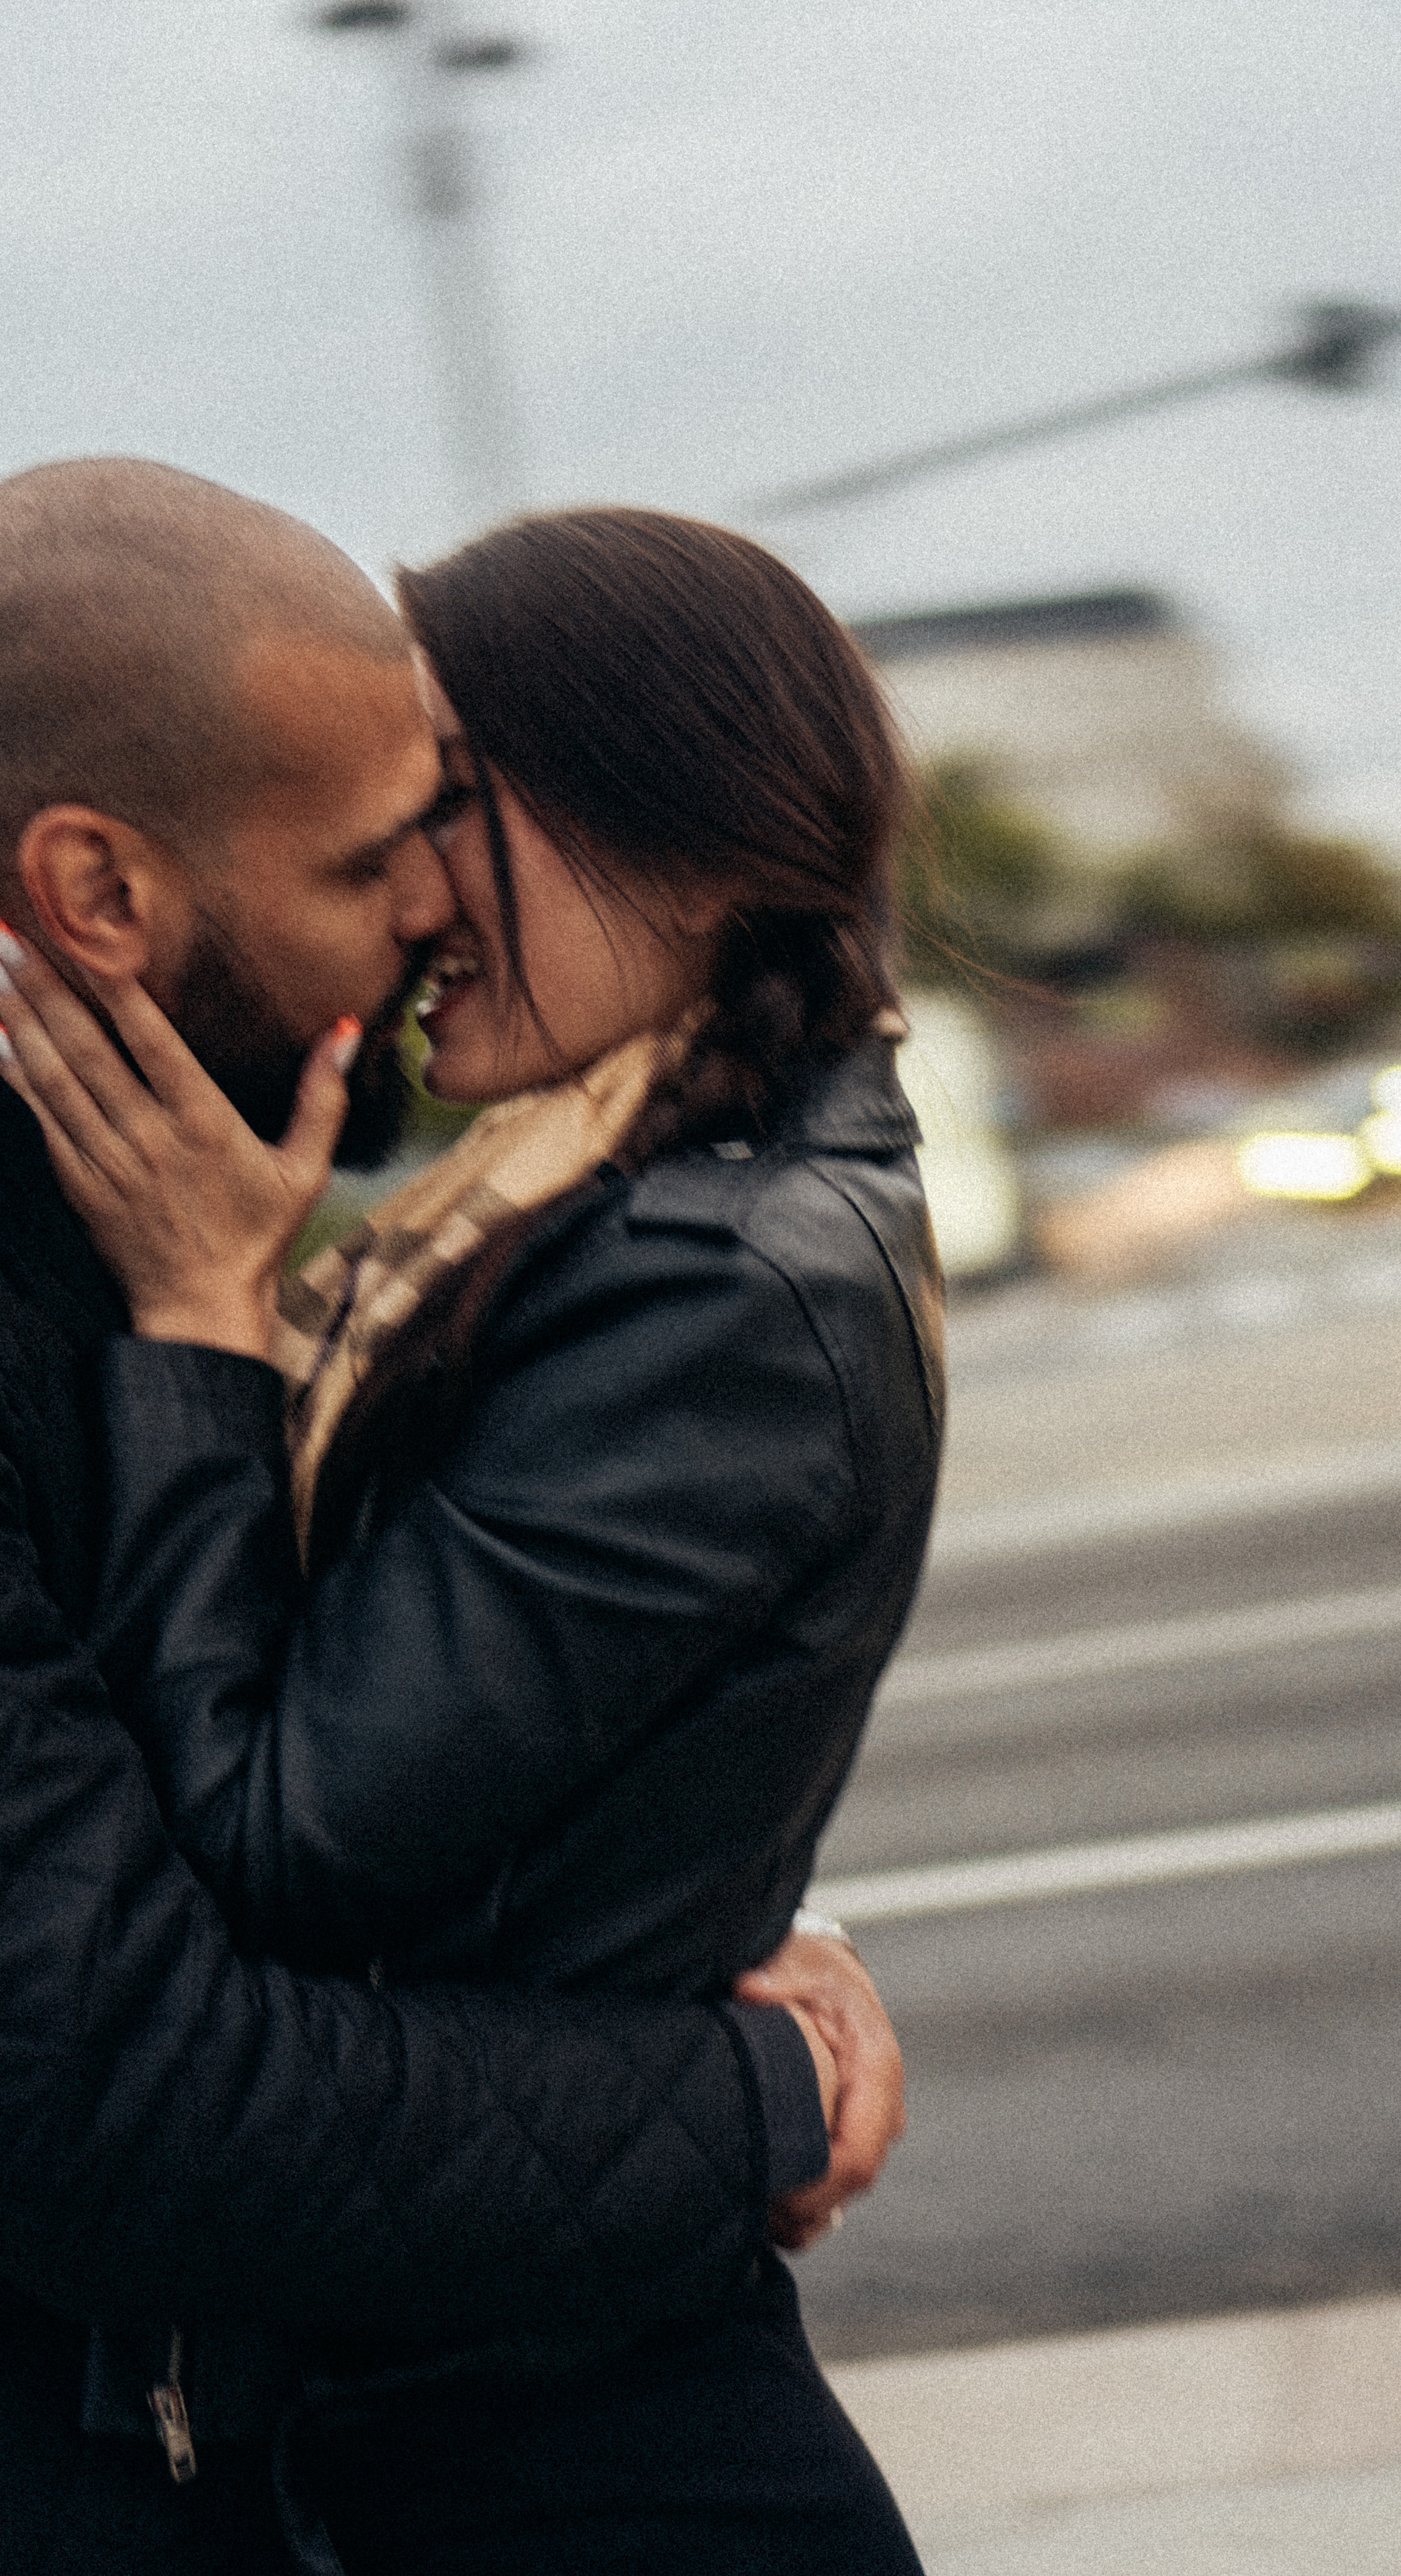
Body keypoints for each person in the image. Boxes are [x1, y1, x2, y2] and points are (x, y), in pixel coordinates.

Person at [3, 498, 943, 2572]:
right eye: (371, 851)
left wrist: (717, 1892)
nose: (419, 906)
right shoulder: (278, 1233)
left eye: (447, 820)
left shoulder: (672, 1261)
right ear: (94, 891)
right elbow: (129, 2081)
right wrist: (741, 2083)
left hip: (532, 2436)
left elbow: (315, 1788)